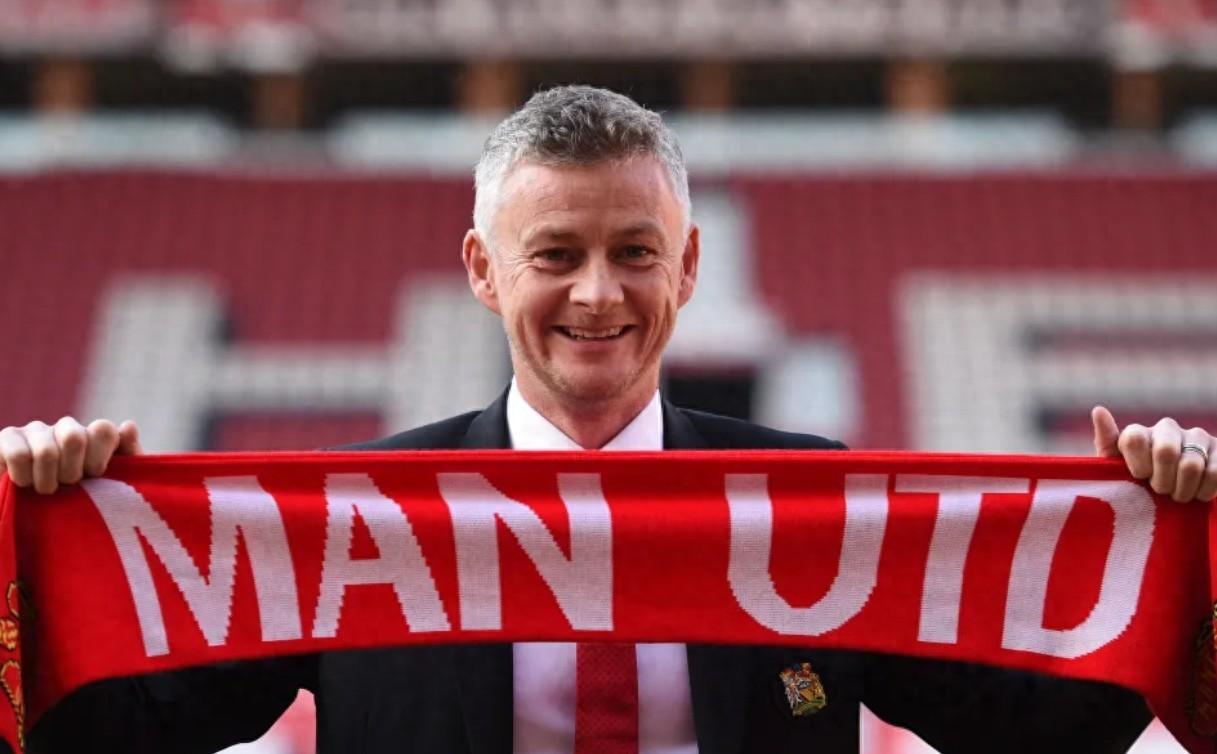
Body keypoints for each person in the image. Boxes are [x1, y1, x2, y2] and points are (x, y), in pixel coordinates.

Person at [2, 85, 1215, 754]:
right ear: (482, 269)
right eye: (555, 254)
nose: (597, 294)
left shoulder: (813, 508)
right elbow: (124, 732)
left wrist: (1165, 543)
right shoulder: (359, 517)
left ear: (686, 267)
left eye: (635, 252)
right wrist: (35, 541)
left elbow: (1030, 730)